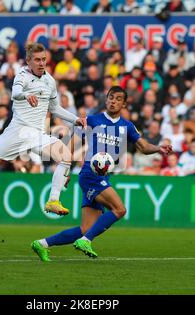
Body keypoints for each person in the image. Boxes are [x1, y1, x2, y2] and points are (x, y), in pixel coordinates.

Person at [31, 86, 172, 261]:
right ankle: (86, 241)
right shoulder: (91, 121)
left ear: (124, 104)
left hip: (103, 176)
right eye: (111, 97)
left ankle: (42, 243)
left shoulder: (127, 126)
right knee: (119, 209)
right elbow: (72, 146)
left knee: (85, 228)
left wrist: (159, 148)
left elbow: (143, 147)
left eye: (118, 99)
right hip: (90, 174)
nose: (113, 101)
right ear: (106, 100)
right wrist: (64, 172)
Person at [0, 43, 86, 216]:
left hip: (36, 133)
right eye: (37, 60)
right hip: (17, 131)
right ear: (28, 61)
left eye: (43, 59)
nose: (41, 63)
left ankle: (53, 201)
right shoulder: (22, 75)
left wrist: (76, 119)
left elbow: (55, 108)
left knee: (65, 157)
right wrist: (27, 95)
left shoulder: (50, 81)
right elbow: (15, 93)